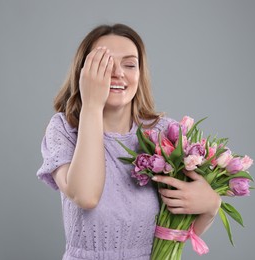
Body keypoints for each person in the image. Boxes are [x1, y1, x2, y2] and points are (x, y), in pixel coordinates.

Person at [36, 23, 221, 260]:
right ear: (84, 73)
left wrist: (211, 206)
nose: (118, 73)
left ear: (140, 73)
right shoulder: (64, 129)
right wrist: (92, 105)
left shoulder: (164, 132)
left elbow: (178, 232)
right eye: (104, 64)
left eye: (130, 64)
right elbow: (86, 196)